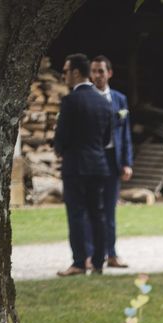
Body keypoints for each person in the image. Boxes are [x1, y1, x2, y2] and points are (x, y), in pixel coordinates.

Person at [55, 53, 112, 277]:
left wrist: (61, 149)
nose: (63, 75)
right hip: (98, 164)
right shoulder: (103, 101)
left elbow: (62, 136)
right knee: (98, 214)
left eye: (65, 71)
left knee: (77, 214)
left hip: (76, 165)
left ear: (76, 73)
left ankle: (79, 262)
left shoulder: (70, 100)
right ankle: (98, 262)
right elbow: (107, 137)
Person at [83, 55, 134, 269]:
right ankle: (89, 255)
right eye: (93, 71)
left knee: (110, 209)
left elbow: (126, 133)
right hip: (92, 160)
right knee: (91, 209)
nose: (97, 75)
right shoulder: (83, 98)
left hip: (113, 159)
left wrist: (127, 163)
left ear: (109, 73)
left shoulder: (120, 99)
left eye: (101, 71)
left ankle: (111, 254)